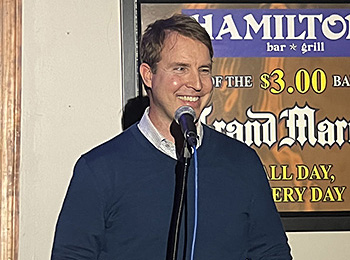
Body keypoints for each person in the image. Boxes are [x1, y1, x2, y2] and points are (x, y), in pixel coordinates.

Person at [51, 14, 292, 259]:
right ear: (148, 75)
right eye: (181, 68)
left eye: (204, 70)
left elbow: (272, 252)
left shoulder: (242, 163)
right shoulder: (99, 169)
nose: (197, 83)